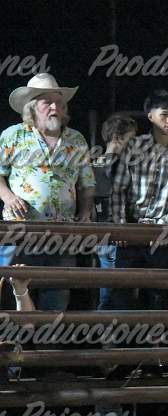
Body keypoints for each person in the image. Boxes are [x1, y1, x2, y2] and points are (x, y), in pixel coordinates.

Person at [0, 73, 95, 311]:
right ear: (32, 107)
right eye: (47, 102)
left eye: (59, 103)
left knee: (57, 298)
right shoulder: (13, 135)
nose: (55, 107)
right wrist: (8, 197)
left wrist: (85, 212)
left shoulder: (76, 140)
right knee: (11, 295)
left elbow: (87, 182)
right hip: (20, 230)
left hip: (62, 234)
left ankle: (49, 335)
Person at [109, 89, 168, 311]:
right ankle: (123, 334)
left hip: (163, 232)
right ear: (150, 116)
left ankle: (157, 333)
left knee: (160, 295)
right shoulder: (134, 146)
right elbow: (118, 189)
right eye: (164, 114)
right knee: (122, 293)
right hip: (131, 230)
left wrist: (166, 224)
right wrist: (120, 226)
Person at [93, 113, 136, 311]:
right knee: (113, 285)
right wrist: (119, 229)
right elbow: (108, 200)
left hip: (106, 232)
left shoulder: (95, 164)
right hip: (113, 234)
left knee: (114, 284)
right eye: (131, 139)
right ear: (117, 137)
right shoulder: (112, 166)